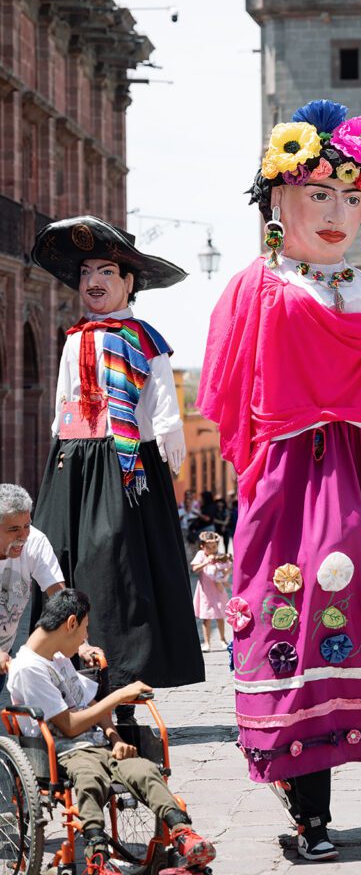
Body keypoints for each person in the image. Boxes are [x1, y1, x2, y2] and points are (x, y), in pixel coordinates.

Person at [197, 99, 361, 861]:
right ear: (281, 203)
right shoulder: (259, 285)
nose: (337, 213)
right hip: (292, 479)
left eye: (352, 197)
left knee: (347, 621)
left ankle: (314, 811)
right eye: (319, 195)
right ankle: (307, 804)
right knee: (289, 625)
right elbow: (228, 388)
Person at [30, 216, 204, 700]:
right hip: (74, 459)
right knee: (65, 555)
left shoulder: (145, 338)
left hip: (125, 465)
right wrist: (59, 445)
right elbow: (65, 397)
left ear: (129, 282)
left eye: (106, 271)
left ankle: (125, 671)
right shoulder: (73, 338)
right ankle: (62, 665)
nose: (93, 282)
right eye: (86, 273)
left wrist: (169, 430)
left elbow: (161, 397)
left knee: (118, 559)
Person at [8, 589, 215, 875]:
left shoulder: (57, 657)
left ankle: (183, 834)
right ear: (70, 623)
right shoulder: (28, 669)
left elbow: (89, 702)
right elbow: (68, 725)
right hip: (63, 751)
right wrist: (119, 696)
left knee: (143, 770)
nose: (84, 638)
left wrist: (114, 737)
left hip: (98, 745)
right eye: (85, 629)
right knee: (90, 778)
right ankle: (98, 856)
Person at [0, 484, 101, 691]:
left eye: (27, 525)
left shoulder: (35, 541)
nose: (23, 536)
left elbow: (60, 599)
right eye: (14, 529)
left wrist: (81, 643)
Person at [191, 531, 232, 653]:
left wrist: (225, 572)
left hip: (218, 590)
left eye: (214, 547)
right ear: (202, 546)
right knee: (206, 617)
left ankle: (223, 639)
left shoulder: (219, 555)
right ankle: (207, 642)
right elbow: (194, 569)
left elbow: (228, 568)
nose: (212, 550)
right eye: (208, 547)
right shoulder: (201, 555)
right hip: (205, 591)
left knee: (220, 616)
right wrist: (206, 562)